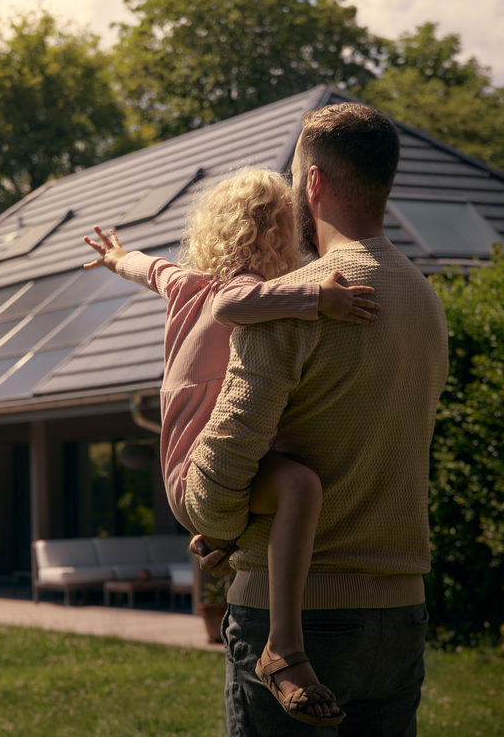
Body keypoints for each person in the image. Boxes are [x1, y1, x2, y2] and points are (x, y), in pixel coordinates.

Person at [81, 168, 381, 727]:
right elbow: (234, 308)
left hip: (184, 475)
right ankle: (283, 647)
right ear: (278, 232)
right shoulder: (231, 293)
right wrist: (319, 298)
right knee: (300, 486)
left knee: (278, 488)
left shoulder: (186, 283)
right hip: (200, 470)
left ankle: (221, 541)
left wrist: (117, 256)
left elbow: (148, 267)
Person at [185, 103, 449, 735]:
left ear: (313, 183)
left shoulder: (293, 304)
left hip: (298, 626)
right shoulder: (426, 302)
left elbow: (215, 491)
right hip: (401, 616)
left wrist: (223, 531)